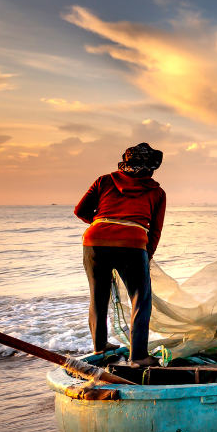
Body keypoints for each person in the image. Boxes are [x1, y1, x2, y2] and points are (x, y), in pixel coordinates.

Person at [74, 143, 166, 366]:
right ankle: (138, 357)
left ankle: (100, 346)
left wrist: (102, 223)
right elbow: (155, 230)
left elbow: (80, 211)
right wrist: (147, 254)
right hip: (133, 244)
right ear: (150, 167)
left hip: (95, 241)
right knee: (140, 300)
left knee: (98, 297)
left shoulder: (104, 180)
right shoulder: (156, 192)